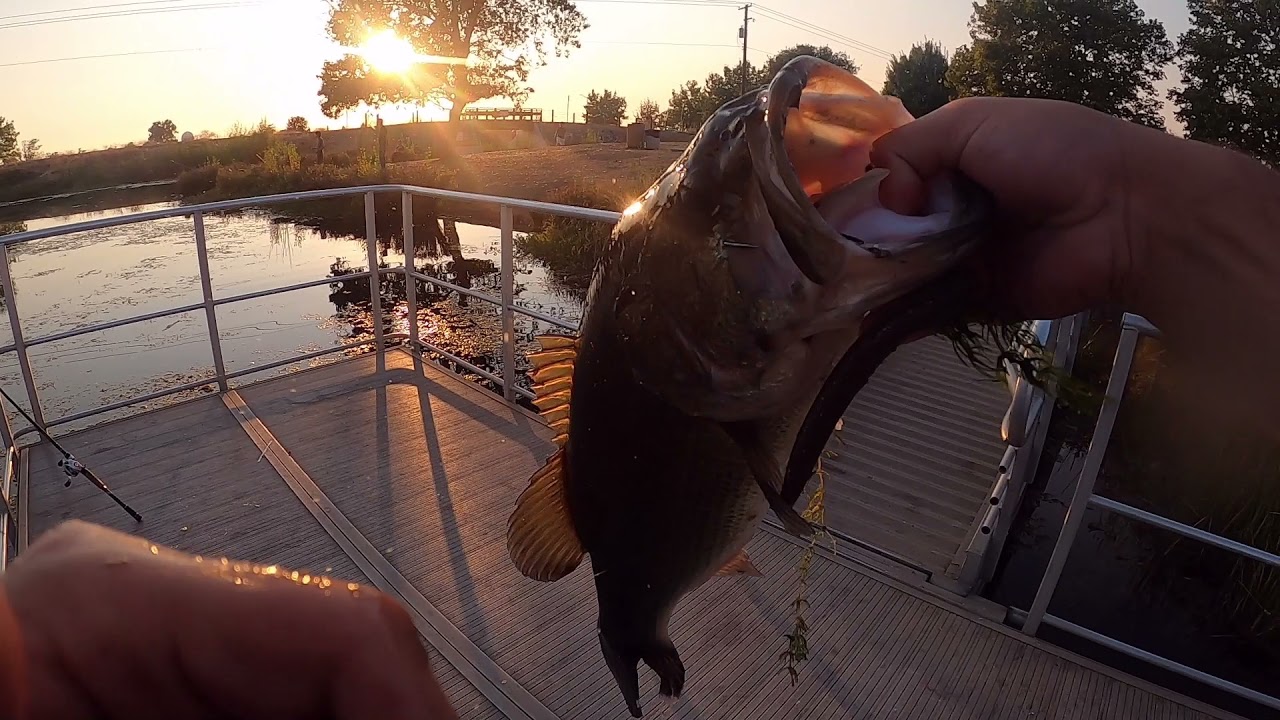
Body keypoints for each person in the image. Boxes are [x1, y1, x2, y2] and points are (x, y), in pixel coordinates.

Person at [1, 96, 1277, 718]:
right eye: (726, 241)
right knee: (650, 574)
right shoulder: (712, 388)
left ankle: (632, 641)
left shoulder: (722, 373)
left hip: (669, 497)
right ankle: (636, 640)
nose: (743, 235)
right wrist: (1151, 213)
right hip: (659, 518)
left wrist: (1138, 213)